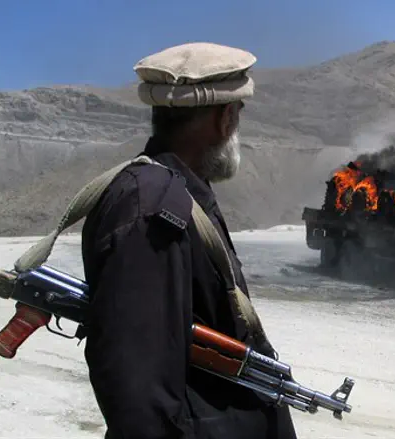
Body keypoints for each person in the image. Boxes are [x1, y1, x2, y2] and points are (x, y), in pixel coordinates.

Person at [79, 42, 297, 439]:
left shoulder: (175, 194)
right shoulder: (153, 208)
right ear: (225, 117)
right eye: (238, 114)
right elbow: (140, 398)